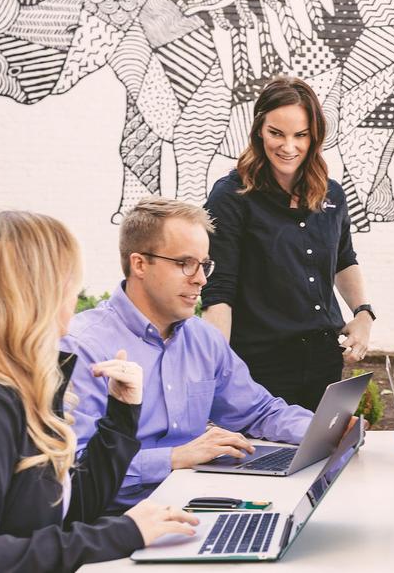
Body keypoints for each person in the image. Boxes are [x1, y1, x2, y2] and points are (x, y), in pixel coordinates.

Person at [0, 211, 197, 572]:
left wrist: (122, 416)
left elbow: (65, 514)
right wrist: (123, 533)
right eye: (70, 283)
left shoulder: (15, 385)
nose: (74, 301)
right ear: (38, 292)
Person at [63, 197, 314, 511]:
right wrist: (173, 458)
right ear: (140, 264)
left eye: (204, 264)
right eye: (185, 264)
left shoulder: (203, 338)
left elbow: (259, 411)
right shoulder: (82, 346)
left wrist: (325, 431)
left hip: (197, 503)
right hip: (117, 522)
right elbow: (73, 469)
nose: (201, 279)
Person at [202, 75, 375, 412]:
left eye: (300, 135)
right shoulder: (230, 197)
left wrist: (363, 314)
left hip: (324, 359)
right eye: (276, 133)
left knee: (319, 457)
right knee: (264, 458)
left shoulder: (332, 194)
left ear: (315, 137)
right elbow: (218, 291)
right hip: (259, 366)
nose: (288, 146)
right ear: (258, 131)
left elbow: (343, 258)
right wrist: (218, 372)